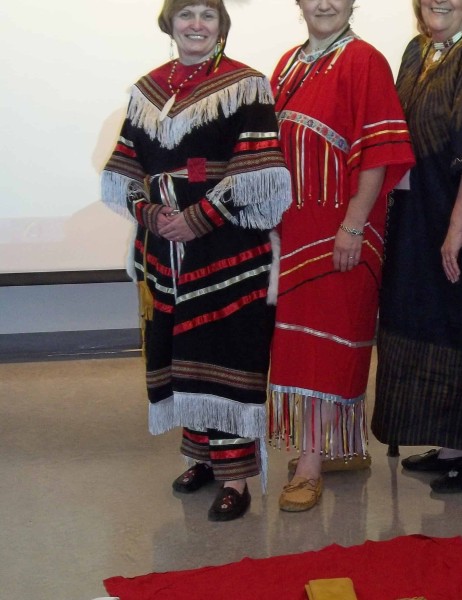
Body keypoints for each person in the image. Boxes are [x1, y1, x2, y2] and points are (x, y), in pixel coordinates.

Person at [100, 0, 291, 521]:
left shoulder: (246, 85)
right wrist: (150, 213)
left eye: (209, 15)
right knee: (179, 349)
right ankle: (203, 457)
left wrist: (199, 218)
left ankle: (236, 477)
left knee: (226, 355)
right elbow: (124, 170)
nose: (197, 25)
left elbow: (258, 173)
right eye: (187, 14)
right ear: (170, 23)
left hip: (227, 248)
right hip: (163, 250)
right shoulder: (147, 90)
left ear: (222, 26)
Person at [267, 0, 415, 512]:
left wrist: (353, 224)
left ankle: (309, 466)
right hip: (296, 231)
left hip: (343, 232)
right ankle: (340, 447)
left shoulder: (364, 60)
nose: (324, 3)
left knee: (331, 345)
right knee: (302, 344)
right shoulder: (288, 63)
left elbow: (377, 153)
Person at [372, 0, 462, 493]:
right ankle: (453, 446)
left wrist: (456, 227)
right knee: (434, 329)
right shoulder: (418, 53)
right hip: (421, 219)